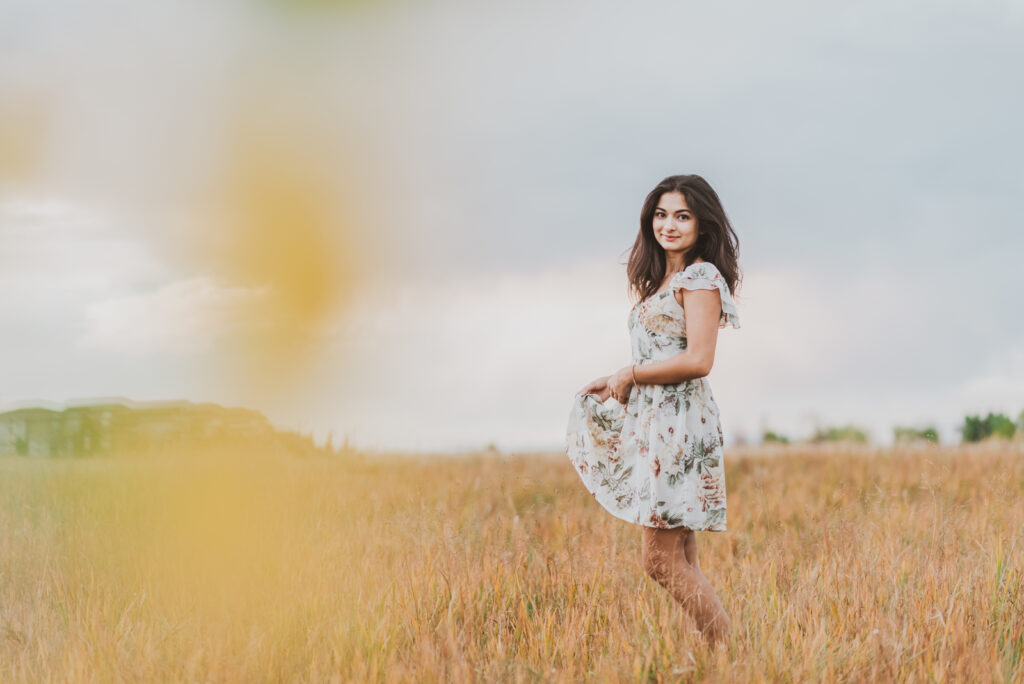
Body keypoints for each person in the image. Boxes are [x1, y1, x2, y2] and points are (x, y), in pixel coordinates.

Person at [564, 174, 741, 647]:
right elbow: (659, 354)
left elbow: (699, 359)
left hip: (678, 426)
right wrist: (617, 378)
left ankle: (732, 655)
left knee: (660, 561)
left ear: (702, 224)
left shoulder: (700, 277)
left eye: (682, 215)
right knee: (680, 557)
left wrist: (631, 375)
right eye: (661, 214)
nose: (669, 224)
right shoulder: (667, 280)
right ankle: (721, 660)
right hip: (659, 420)